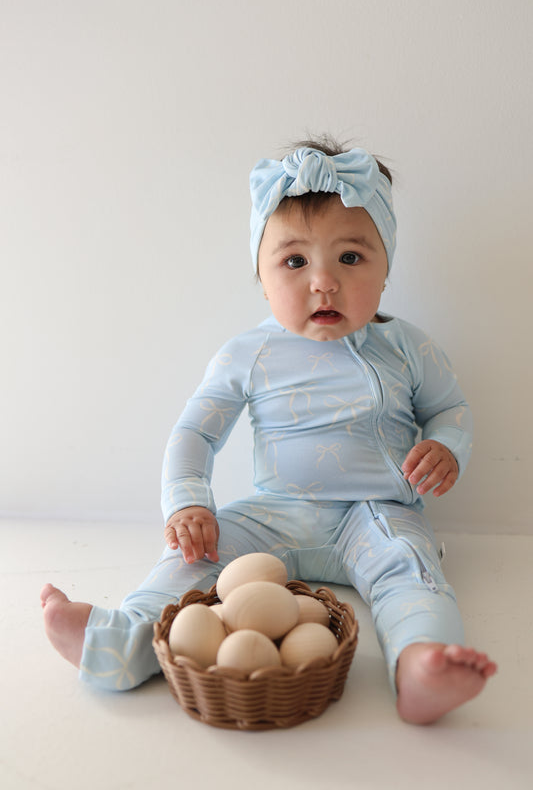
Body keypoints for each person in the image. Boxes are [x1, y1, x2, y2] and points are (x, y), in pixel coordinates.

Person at [41, 137, 496, 724]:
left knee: (410, 568)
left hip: (377, 511)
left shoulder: (407, 347)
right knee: (193, 555)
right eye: (295, 261)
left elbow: (451, 409)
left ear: (387, 269)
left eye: (351, 259)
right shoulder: (248, 353)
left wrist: (445, 445)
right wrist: (188, 503)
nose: (323, 282)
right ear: (260, 275)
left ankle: (421, 663)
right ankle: (119, 643)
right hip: (276, 510)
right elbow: (194, 434)